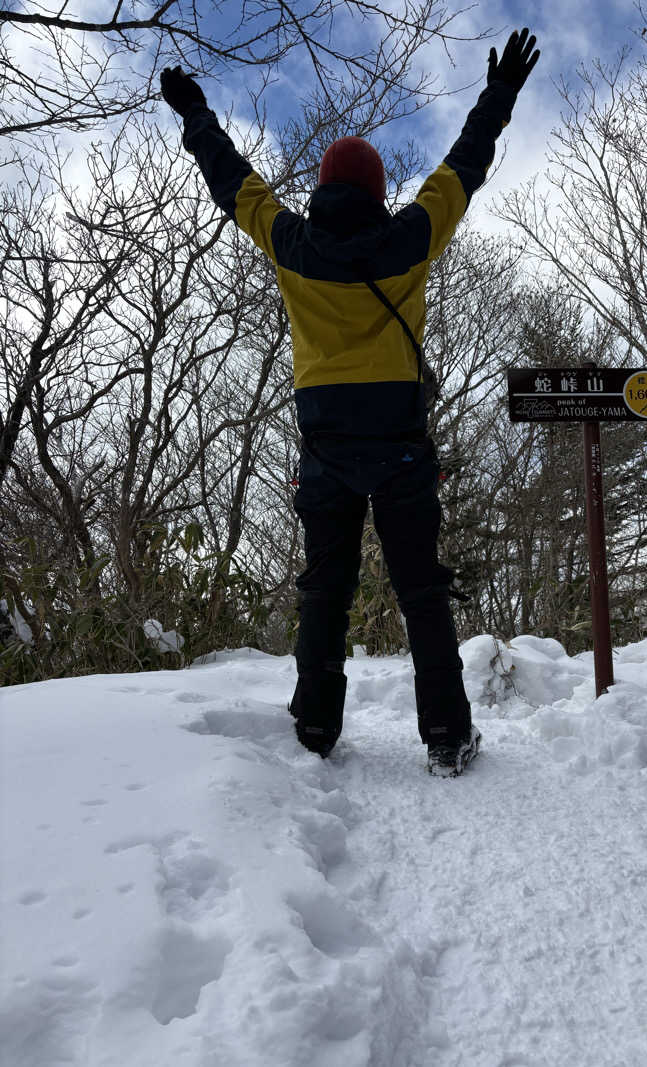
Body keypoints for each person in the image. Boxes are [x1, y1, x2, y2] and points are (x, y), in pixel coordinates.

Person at [160, 29, 540, 775]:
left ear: (324, 188)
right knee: (422, 591)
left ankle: (315, 729)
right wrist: (498, 96)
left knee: (324, 590)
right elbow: (465, 165)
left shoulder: (290, 243)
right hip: (400, 446)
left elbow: (231, 179)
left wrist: (196, 114)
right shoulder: (411, 236)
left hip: (326, 449)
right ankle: (447, 735)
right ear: (374, 191)